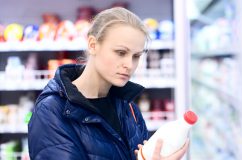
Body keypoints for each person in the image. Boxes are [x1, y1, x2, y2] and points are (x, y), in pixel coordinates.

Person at [27, 7, 189, 160]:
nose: (129, 64)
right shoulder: (52, 112)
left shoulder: (130, 109)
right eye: (121, 52)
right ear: (93, 45)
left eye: (136, 56)